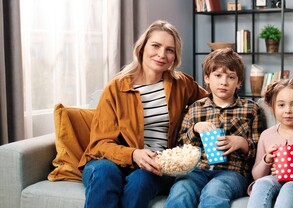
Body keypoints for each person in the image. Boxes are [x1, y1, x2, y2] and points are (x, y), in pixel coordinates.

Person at [78, 20, 208, 208]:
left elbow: (214, 102)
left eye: (169, 50)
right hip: (111, 162)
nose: (161, 54)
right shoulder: (117, 87)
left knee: (141, 180)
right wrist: (133, 154)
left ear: (175, 56)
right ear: (142, 47)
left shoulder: (181, 84)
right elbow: (100, 144)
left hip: (157, 164)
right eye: (155, 46)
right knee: (105, 173)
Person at [165, 47, 266, 208]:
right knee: (181, 190)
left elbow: (261, 151)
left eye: (231, 77)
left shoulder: (251, 109)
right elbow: (180, 147)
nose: (223, 82)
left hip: (232, 172)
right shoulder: (195, 108)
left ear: (239, 82)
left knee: (215, 191)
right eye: (218, 75)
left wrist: (242, 143)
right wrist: (196, 129)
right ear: (207, 78)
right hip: (197, 170)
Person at [247, 78, 293, 208]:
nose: (288, 110)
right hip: (274, 179)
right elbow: (256, 176)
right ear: (272, 107)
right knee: (261, 183)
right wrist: (267, 160)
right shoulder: (266, 135)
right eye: (281, 105)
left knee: (289, 188)